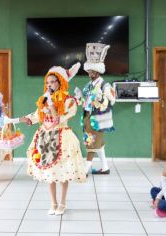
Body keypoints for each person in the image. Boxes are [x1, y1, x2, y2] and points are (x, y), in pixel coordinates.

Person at [16, 62, 86, 215]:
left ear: (60, 81)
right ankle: (53, 203)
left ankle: (62, 202)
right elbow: (36, 116)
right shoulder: (44, 99)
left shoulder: (69, 100)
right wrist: (15, 120)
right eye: (47, 82)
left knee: (62, 172)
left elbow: (59, 119)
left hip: (61, 136)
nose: (50, 84)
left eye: (53, 81)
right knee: (50, 173)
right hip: (45, 137)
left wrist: (52, 107)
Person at [74, 43, 115, 175]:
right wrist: (79, 96)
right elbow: (84, 102)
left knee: (91, 143)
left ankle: (85, 170)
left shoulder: (104, 85)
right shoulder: (88, 85)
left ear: (97, 71)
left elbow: (111, 101)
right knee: (98, 143)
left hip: (98, 120)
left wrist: (102, 98)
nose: (89, 73)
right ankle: (105, 167)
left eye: (91, 71)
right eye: (89, 71)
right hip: (87, 117)